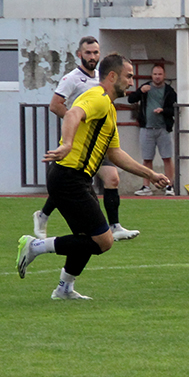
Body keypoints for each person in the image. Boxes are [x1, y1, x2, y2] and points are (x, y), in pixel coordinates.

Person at [17, 53, 169, 300]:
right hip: (68, 177)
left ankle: (64, 289)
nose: (131, 82)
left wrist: (150, 174)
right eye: (128, 76)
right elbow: (72, 114)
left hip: (77, 179)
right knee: (103, 241)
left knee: (86, 238)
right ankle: (35, 246)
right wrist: (67, 143)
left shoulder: (108, 108)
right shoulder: (98, 97)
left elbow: (115, 153)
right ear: (112, 76)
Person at [33, 37, 141, 240]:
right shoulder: (72, 79)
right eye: (88, 52)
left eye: (96, 52)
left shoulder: (103, 79)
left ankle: (114, 226)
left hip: (99, 141)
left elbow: (115, 151)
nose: (92, 57)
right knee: (71, 181)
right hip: (79, 143)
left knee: (110, 178)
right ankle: (43, 217)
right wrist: (77, 126)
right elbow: (56, 105)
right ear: (79, 54)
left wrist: (150, 175)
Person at [128, 62, 176, 195]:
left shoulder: (169, 91)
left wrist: (163, 110)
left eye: (160, 74)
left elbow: (174, 109)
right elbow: (131, 99)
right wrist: (140, 91)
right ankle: (146, 187)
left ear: (164, 75)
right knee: (147, 159)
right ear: (151, 75)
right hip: (146, 128)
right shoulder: (146, 87)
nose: (157, 76)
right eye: (155, 74)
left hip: (163, 128)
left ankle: (169, 186)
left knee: (167, 157)